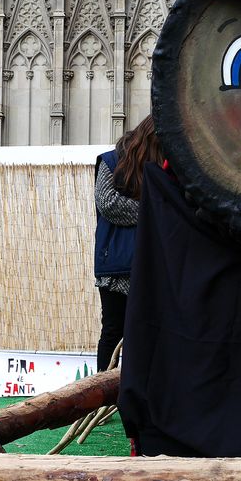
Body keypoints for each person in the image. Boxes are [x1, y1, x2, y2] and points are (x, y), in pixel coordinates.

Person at [93, 115, 164, 373]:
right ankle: (100, 395)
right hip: (117, 266)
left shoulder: (163, 168)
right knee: (113, 330)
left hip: (149, 265)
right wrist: (151, 210)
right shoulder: (110, 161)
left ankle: (138, 396)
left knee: (143, 333)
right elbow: (108, 204)